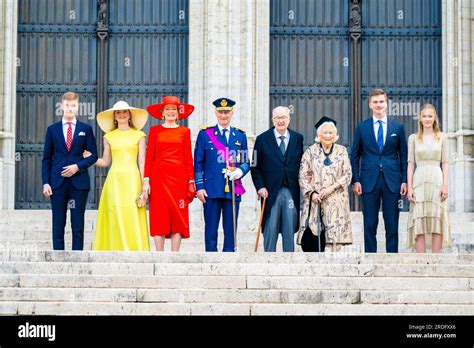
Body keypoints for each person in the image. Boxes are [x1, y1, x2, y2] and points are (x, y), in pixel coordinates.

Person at [84, 101, 150, 251]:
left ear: (129, 115)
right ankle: (115, 248)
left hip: (132, 179)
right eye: (118, 112)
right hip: (114, 180)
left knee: (131, 213)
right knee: (115, 213)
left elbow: (142, 162)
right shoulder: (109, 136)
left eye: (124, 112)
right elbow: (106, 161)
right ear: (114, 116)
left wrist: (144, 185)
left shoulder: (139, 135)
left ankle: (134, 249)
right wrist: (90, 159)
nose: (122, 115)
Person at [350, 88, 408, 253]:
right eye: (375, 102)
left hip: (392, 181)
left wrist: (404, 180)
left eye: (381, 102)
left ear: (386, 104)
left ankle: (392, 258)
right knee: (369, 223)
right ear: (370, 105)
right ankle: (370, 257)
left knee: (392, 222)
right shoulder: (362, 127)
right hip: (368, 181)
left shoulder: (398, 127)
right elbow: (354, 155)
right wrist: (356, 180)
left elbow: (403, 155)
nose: (378, 105)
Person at [41, 91, 98, 250]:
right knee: (58, 223)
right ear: (62, 106)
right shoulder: (52, 130)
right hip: (57, 183)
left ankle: (77, 258)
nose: (70, 108)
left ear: (77, 107)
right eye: (67, 105)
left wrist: (77, 166)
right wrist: (46, 182)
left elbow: (93, 156)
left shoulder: (85, 129)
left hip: (79, 184)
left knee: (77, 223)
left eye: (73, 106)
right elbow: (46, 158)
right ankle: (58, 258)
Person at [194, 97, 250, 252]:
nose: (224, 115)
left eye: (227, 112)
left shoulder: (239, 135)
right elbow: (198, 162)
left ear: (232, 113)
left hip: (232, 188)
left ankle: (229, 257)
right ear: (216, 113)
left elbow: (246, 161)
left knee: (231, 228)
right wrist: (200, 187)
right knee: (211, 228)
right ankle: (211, 258)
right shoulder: (205, 134)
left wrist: (240, 171)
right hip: (211, 188)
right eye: (221, 112)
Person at [143, 96, 196, 252]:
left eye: (174, 109)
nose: (171, 112)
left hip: (179, 180)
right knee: (159, 214)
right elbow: (149, 157)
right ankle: (159, 255)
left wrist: (191, 181)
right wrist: (146, 180)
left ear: (178, 113)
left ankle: (175, 255)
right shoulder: (154, 131)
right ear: (162, 112)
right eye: (167, 109)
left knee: (178, 214)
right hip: (158, 178)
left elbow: (188, 158)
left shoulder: (185, 132)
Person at [251, 106, 304, 252]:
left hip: (290, 189)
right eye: (277, 118)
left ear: (289, 119)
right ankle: (268, 260)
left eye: (284, 117)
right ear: (272, 120)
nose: (281, 120)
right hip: (269, 191)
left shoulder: (298, 138)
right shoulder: (262, 139)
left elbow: (302, 163)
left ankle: (289, 260)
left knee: (289, 226)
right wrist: (260, 187)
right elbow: (254, 166)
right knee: (271, 227)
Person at [298, 116, 353, 252]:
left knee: (335, 240)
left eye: (331, 133)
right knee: (316, 238)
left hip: (336, 201)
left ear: (335, 135)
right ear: (319, 135)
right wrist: (312, 193)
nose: (328, 135)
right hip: (316, 201)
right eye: (325, 132)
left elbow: (347, 174)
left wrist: (331, 188)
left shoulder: (342, 151)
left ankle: (334, 265)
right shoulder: (310, 152)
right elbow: (302, 175)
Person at [407, 104, 451, 252]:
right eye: (424, 116)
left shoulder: (442, 137)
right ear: (420, 118)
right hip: (418, 180)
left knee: (436, 217)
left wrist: (445, 185)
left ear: (434, 118)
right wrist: (410, 187)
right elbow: (411, 164)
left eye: (430, 116)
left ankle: (435, 258)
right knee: (419, 217)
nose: (427, 119)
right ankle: (421, 259)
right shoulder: (413, 138)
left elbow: (445, 163)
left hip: (437, 179)